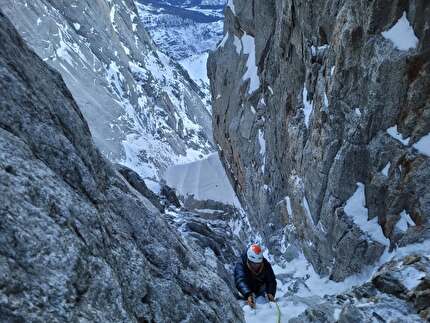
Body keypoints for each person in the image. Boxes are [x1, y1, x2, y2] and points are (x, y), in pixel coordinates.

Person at [234, 243, 277, 308]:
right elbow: (240, 280)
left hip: (259, 288)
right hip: (245, 290)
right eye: (253, 264)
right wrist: (248, 294)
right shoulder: (241, 264)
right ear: (249, 260)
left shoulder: (265, 264)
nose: (256, 266)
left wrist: (270, 292)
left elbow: (271, 280)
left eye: (258, 264)